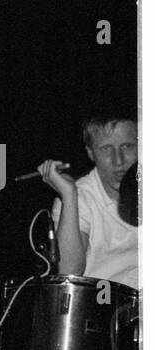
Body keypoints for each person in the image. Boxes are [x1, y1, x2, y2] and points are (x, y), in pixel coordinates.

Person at [39, 110, 138, 289]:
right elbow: (69, 272)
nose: (118, 160)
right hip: (103, 308)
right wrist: (69, 196)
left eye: (127, 146)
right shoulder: (82, 196)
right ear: (91, 153)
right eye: (106, 149)